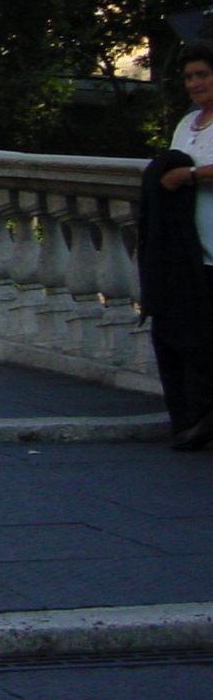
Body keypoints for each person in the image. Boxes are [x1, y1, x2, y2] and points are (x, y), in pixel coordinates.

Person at [146, 42, 213, 450]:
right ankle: (196, 413)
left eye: (203, 74)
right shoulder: (187, 124)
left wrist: (188, 176)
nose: (195, 83)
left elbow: (183, 172)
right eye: (189, 77)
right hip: (190, 246)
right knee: (189, 330)